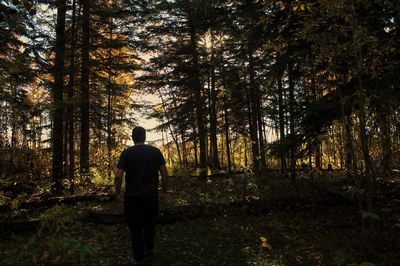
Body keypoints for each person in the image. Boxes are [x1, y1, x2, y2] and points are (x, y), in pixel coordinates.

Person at [115, 126, 169, 265]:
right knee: (149, 223)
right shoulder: (155, 152)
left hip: (132, 197)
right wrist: (163, 192)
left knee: (135, 227)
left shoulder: (126, 153)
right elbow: (164, 174)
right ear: (145, 137)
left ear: (133, 137)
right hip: (151, 196)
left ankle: (139, 258)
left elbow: (118, 175)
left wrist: (117, 192)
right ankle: (149, 250)